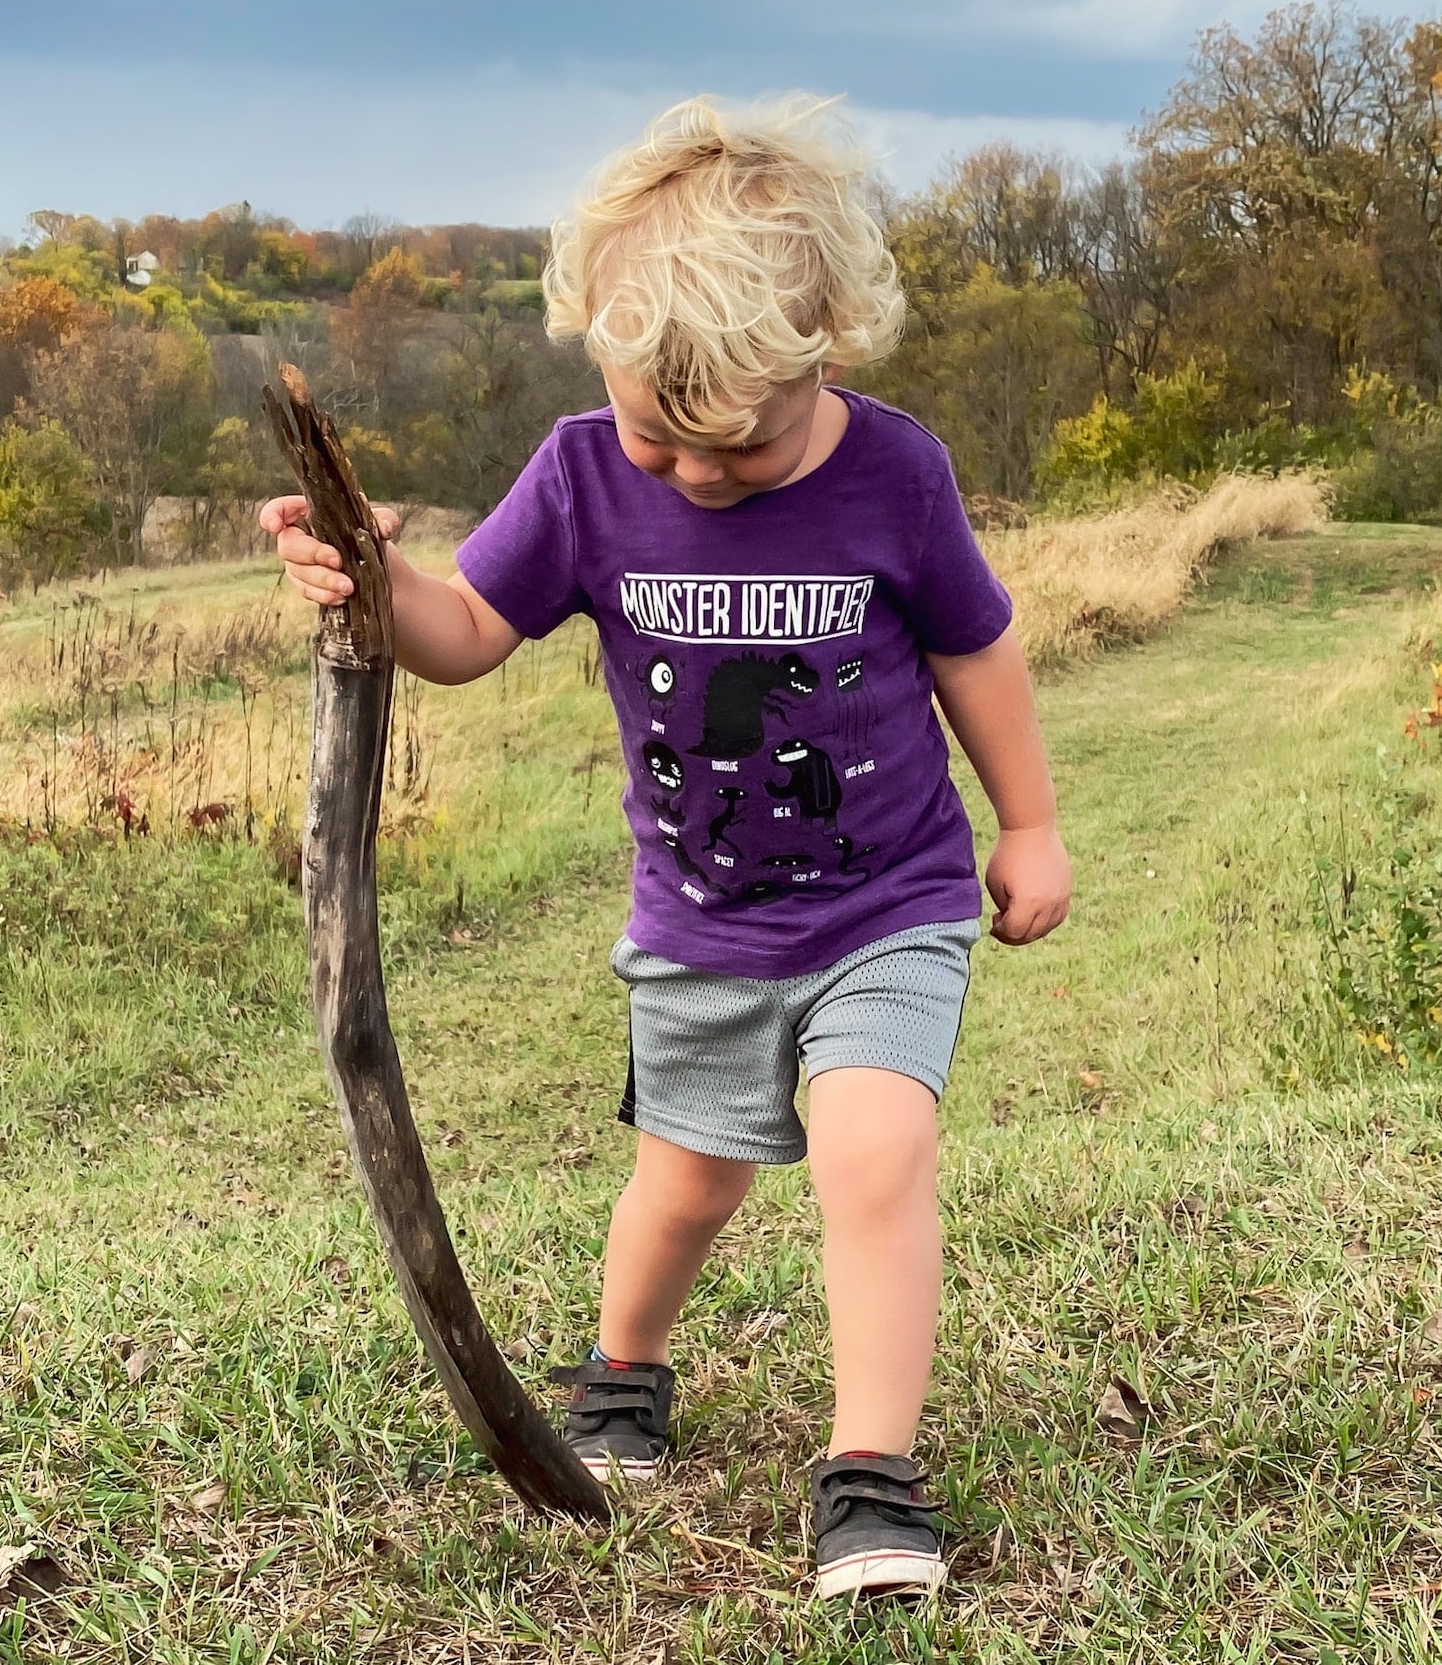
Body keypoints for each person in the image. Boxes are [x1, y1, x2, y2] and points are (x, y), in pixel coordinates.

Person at [261, 96, 1071, 1599]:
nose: (693, 475)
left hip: (887, 904)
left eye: (740, 445)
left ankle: (870, 1475)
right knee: (686, 1183)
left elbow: (979, 651)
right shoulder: (582, 477)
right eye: (658, 435)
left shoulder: (896, 475)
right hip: (699, 926)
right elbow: (463, 634)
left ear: (826, 342)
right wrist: (369, 571)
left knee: (874, 1152)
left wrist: (1026, 820)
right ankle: (626, 1367)